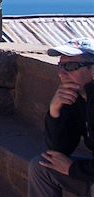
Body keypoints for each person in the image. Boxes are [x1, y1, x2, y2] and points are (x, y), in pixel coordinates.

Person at [28, 38, 94, 196]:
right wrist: (55, 111)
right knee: (42, 166)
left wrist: (72, 169)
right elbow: (59, 150)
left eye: (70, 66)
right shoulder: (77, 97)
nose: (61, 74)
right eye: (60, 66)